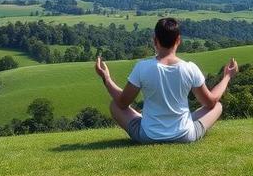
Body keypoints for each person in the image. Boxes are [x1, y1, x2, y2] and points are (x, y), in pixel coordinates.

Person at [94, 17, 238, 144]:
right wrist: (227, 76)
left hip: (149, 136)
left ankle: (147, 121)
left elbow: (122, 102)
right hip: (185, 135)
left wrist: (106, 78)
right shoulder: (190, 68)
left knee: (114, 105)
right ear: (178, 40)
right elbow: (210, 102)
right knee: (217, 105)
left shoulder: (142, 67)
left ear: (155, 40)